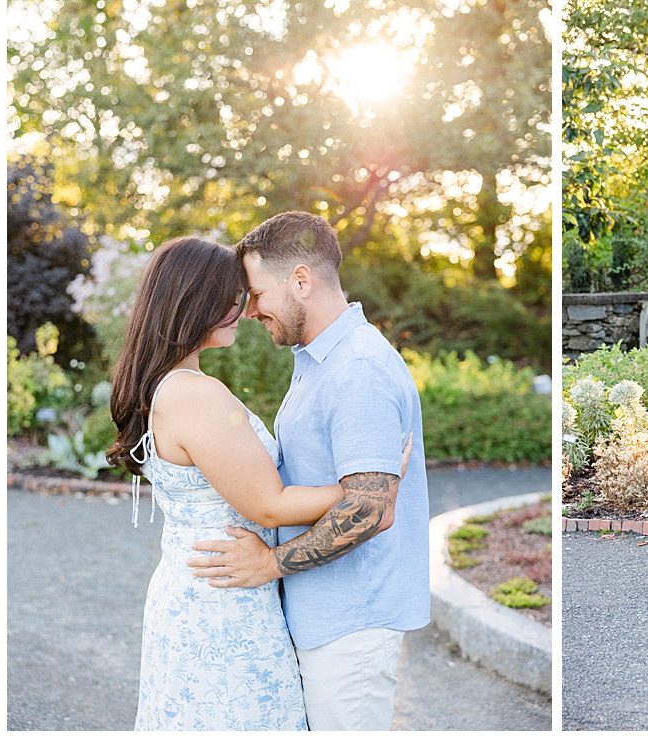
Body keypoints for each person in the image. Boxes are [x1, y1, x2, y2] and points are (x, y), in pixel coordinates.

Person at [111, 236, 412, 730]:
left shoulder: (169, 385)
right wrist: (373, 486)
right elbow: (269, 504)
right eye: (229, 295)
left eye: (247, 293)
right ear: (189, 300)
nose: (242, 308)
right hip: (224, 599)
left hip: (208, 591)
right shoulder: (194, 395)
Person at [184, 211, 431, 728]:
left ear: (301, 280)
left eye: (256, 294)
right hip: (324, 617)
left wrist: (268, 565)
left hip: (352, 623)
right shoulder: (322, 361)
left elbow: (370, 509)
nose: (249, 311)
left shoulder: (357, 369)